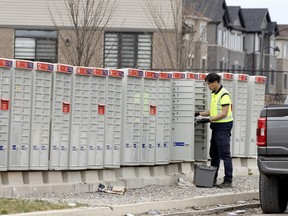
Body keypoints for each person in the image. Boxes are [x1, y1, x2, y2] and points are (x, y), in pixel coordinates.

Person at [195, 72, 233, 188]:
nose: (208, 86)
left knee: (225, 154)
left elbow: (224, 113)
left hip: (223, 127)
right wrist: (199, 113)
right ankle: (213, 179)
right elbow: (212, 111)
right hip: (216, 127)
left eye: (209, 83)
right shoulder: (214, 94)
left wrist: (209, 120)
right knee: (214, 154)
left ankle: (228, 180)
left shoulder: (224, 95)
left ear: (216, 82)